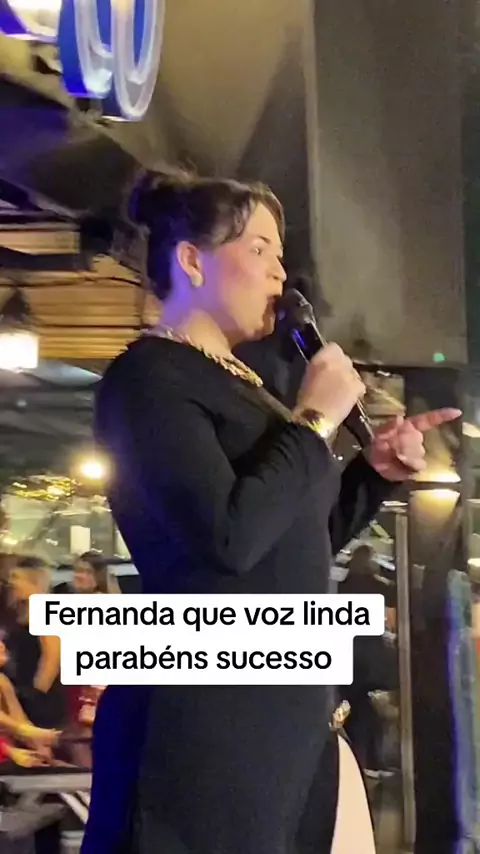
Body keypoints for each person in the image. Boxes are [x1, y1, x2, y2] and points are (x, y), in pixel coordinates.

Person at [81, 170, 460, 854]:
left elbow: (290, 541)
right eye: (258, 249)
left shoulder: (248, 390)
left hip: (289, 730)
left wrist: (371, 474)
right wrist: (314, 420)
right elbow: (228, 537)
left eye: (280, 255)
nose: (280, 273)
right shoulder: (149, 379)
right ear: (191, 261)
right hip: (207, 737)